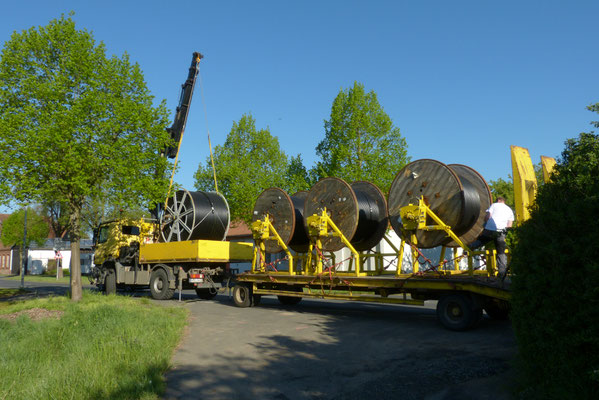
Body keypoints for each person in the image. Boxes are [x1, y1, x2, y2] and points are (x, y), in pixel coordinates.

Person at [468, 196, 515, 278]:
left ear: (499, 200)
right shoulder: (509, 210)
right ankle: (502, 273)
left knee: (482, 239)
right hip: (501, 231)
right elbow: (510, 225)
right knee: (501, 252)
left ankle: (472, 246)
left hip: (490, 229)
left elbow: (487, 216)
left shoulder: (494, 205)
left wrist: (485, 224)